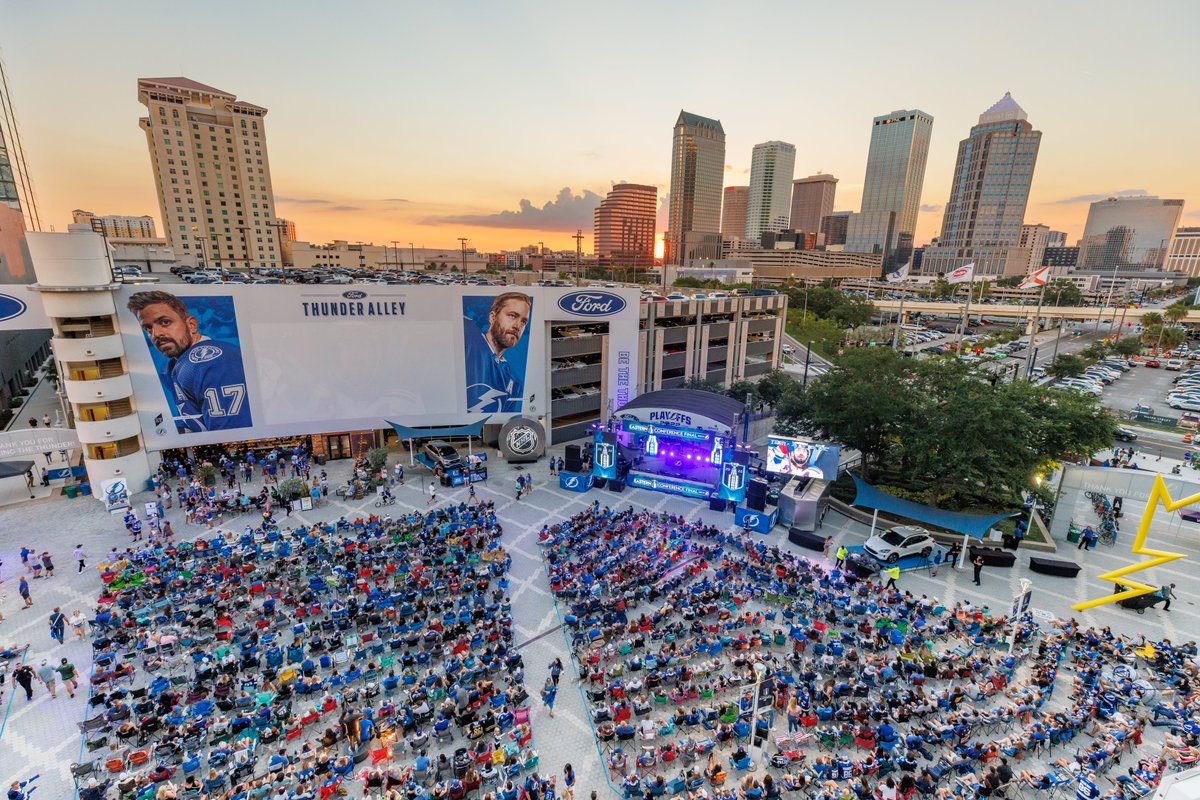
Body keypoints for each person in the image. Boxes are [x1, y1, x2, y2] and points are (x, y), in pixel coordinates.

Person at [126, 290, 253, 433]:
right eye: (148, 328)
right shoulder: (174, 366)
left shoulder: (215, 361)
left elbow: (232, 434)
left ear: (191, 325)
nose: (156, 334)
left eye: (165, 322)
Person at [463, 291, 532, 413]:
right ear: (492, 317)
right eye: (512, 316)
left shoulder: (514, 382)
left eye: (523, 322)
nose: (518, 326)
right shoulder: (467, 334)